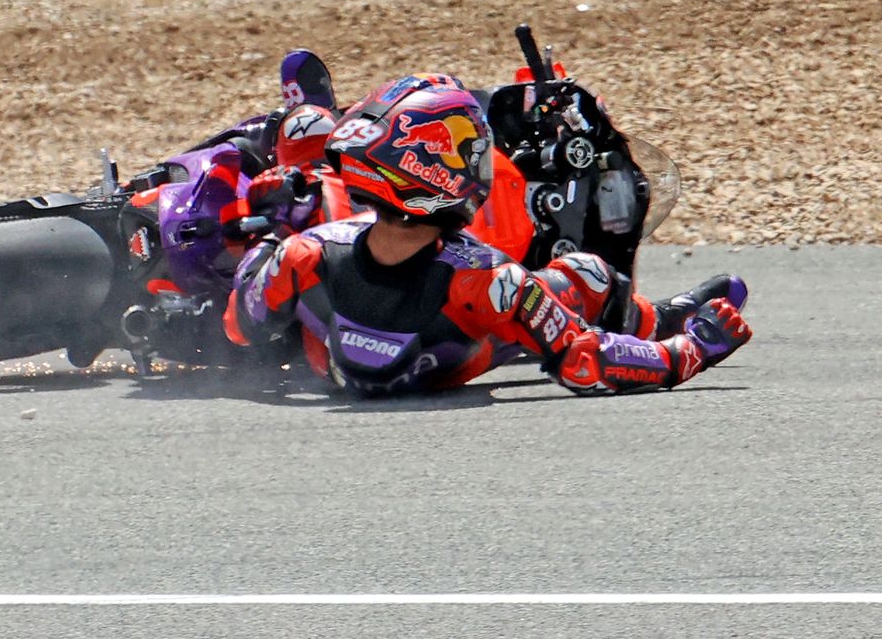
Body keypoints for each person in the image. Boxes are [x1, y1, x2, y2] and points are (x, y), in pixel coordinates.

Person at [222, 74, 752, 398]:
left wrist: (268, 238)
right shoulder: (490, 282)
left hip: (334, 372)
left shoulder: (303, 253)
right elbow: (585, 366)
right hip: (455, 353)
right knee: (584, 273)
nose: (481, 162)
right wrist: (692, 350)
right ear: (431, 172)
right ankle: (663, 320)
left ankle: (659, 314)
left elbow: (241, 324)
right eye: (469, 150)